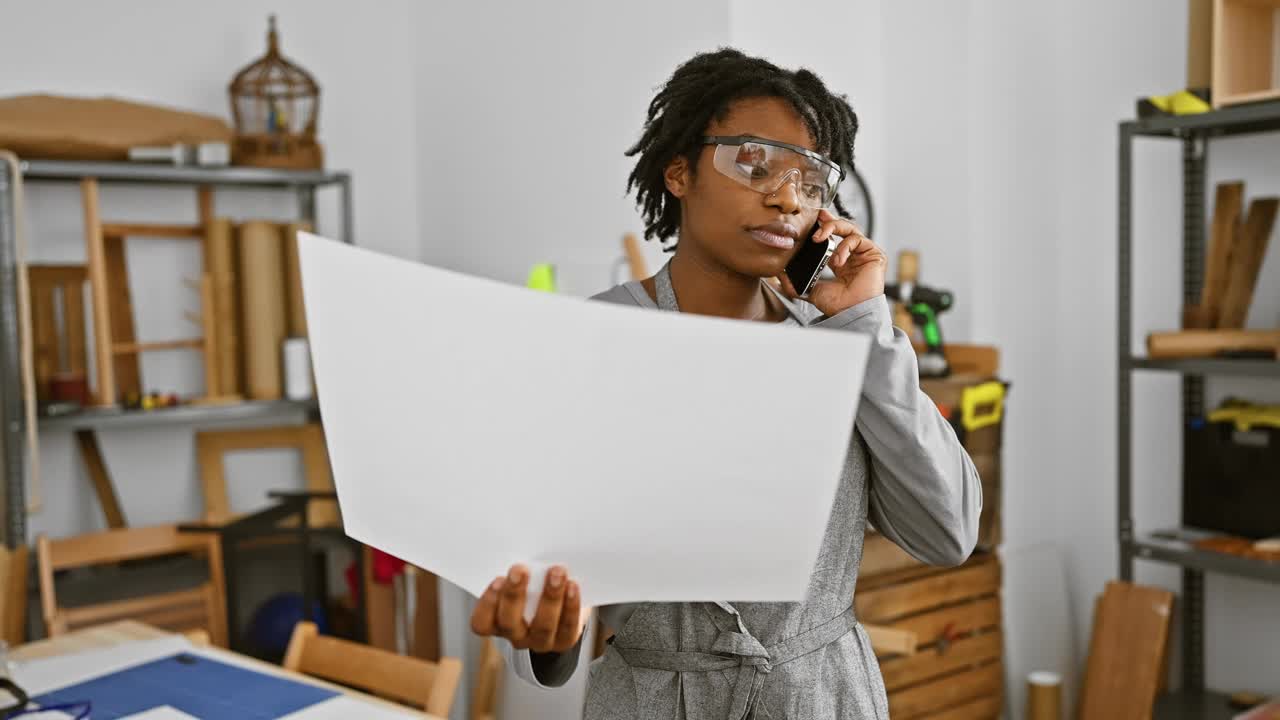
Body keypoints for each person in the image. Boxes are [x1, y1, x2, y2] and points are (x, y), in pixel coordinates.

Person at [469, 48, 982, 719]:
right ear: (679, 172)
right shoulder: (595, 340)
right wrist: (550, 640)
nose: (785, 196)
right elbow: (550, 584)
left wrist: (865, 326)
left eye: (810, 181)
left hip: (823, 699)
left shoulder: (838, 345)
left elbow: (948, 531)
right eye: (753, 163)